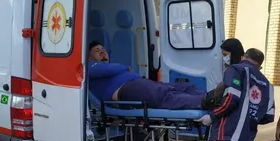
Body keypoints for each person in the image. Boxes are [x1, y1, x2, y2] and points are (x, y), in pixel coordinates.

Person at [87, 41, 217, 110]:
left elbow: (111, 68)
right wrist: (126, 67)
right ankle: (204, 102)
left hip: (136, 85)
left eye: (103, 50)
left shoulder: (113, 68)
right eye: (97, 51)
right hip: (123, 91)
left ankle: (210, 96)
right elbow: (109, 69)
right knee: (163, 95)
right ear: (89, 56)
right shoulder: (88, 66)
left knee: (179, 86)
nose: (102, 52)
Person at [213, 38, 253, 141]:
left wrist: (214, 114)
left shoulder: (235, 71)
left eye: (226, 54)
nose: (224, 58)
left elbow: (231, 99)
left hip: (235, 122)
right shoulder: (247, 70)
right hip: (247, 122)